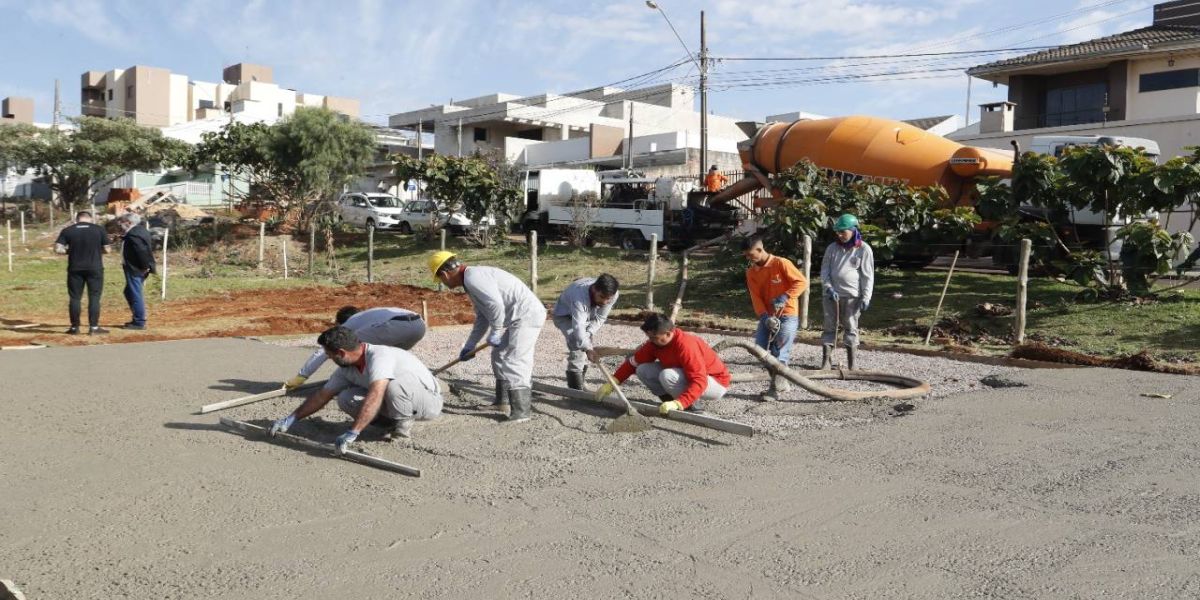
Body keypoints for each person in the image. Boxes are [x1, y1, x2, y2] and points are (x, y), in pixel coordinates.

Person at [269, 326, 443, 451]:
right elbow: (323, 395)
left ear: (342, 353)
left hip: (427, 401)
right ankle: (387, 424)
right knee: (346, 398)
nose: (329, 358)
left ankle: (402, 429)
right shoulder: (346, 369)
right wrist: (291, 418)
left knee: (391, 386)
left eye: (330, 355)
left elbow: (376, 393)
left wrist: (353, 431)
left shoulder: (379, 356)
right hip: (400, 401)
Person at [429, 251, 545, 423]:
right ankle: (502, 402)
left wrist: (496, 331)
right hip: (518, 318)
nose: (444, 284)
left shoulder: (474, 278)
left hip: (527, 316)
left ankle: (522, 411)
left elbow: (496, 305)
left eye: (441, 280)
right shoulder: (471, 280)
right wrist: (470, 345)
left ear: (445, 274)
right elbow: (483, 316)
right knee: (499, 354)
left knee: (515, 360)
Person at [596, 313, 731, 415]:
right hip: (687, 376)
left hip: (715, 383)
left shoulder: (685, 345)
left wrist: (680, 402)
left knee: (667, 375)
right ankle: (669, 400)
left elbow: (700, 380)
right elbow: (634, 363)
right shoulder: (655, 343)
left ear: (668, 333)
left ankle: (690, 404)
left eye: (654, 337)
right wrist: (613, 382)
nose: (651, 341)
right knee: (643, 370)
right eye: (649, 337)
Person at [283, 305, 426, 390]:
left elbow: (324, 349)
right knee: (390, 356)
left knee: (352, 350)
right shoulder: (369, 316)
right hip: (419, 325)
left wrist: (302, 375)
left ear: (340, 322)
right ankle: (410, 383)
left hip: (395, 325)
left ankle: (364, 384)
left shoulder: (351, 322)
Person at [741, 233, 807, 398]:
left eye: (750, 254)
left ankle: (775, 390)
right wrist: (764, 317)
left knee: (779, 352)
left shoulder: (781, 263)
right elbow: (755, 297)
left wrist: (785, 296)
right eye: (746, 255)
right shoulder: (751, 272)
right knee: (760, 350)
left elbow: (802, 282)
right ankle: (781, 382)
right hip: (767, 316)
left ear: (760, 249)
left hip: (787, 315)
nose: (749, 258)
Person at [819, 214, 874, 370]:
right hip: (831, 296)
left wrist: (866, 297)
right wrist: (828, 287)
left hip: (852, 296)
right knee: (829, 325)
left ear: (853, 229)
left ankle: (852, 364)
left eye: (843, 231)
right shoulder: (832, 248)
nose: (839, 235)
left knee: (850, 326)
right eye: (838, 232)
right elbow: (825, 271)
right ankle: (826, 362)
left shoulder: (863, 249)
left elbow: (867, 275)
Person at [552, 274, 620, 390]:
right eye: (602, 297)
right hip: (564, 316)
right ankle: (576, 391)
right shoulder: (579, 297)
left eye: (608, 299)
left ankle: (581, 383)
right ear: (594, 289)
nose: (605, 302)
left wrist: (589, 334)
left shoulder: (612, 295)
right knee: (577, 345)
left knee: (585, 343)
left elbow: (600, 318)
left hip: (587, 316)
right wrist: (587, 347)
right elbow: (578, 326)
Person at [54, 211, 111, 335]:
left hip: (75, 268)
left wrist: (70, 251)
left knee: (75, 298)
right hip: (95, 268)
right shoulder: (99, 229)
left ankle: (75, 327)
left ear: (77, 219)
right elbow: (107, 249)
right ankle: (94, 327)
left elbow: (58, 249)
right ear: (90, 219)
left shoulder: (68, 230)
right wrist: (98, 250)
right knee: (94, 297)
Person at [116, 212, 156, 330]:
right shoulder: (139, 230)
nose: (120, 225)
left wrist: (144, 266)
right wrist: (122, 238)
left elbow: (141, 250)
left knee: (134, 292)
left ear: (128, 222)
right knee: (129, 292)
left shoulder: (133, 233)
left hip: (135, 267)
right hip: (137, 267)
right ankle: (137, 318)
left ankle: (139, 321)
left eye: (122, 222)